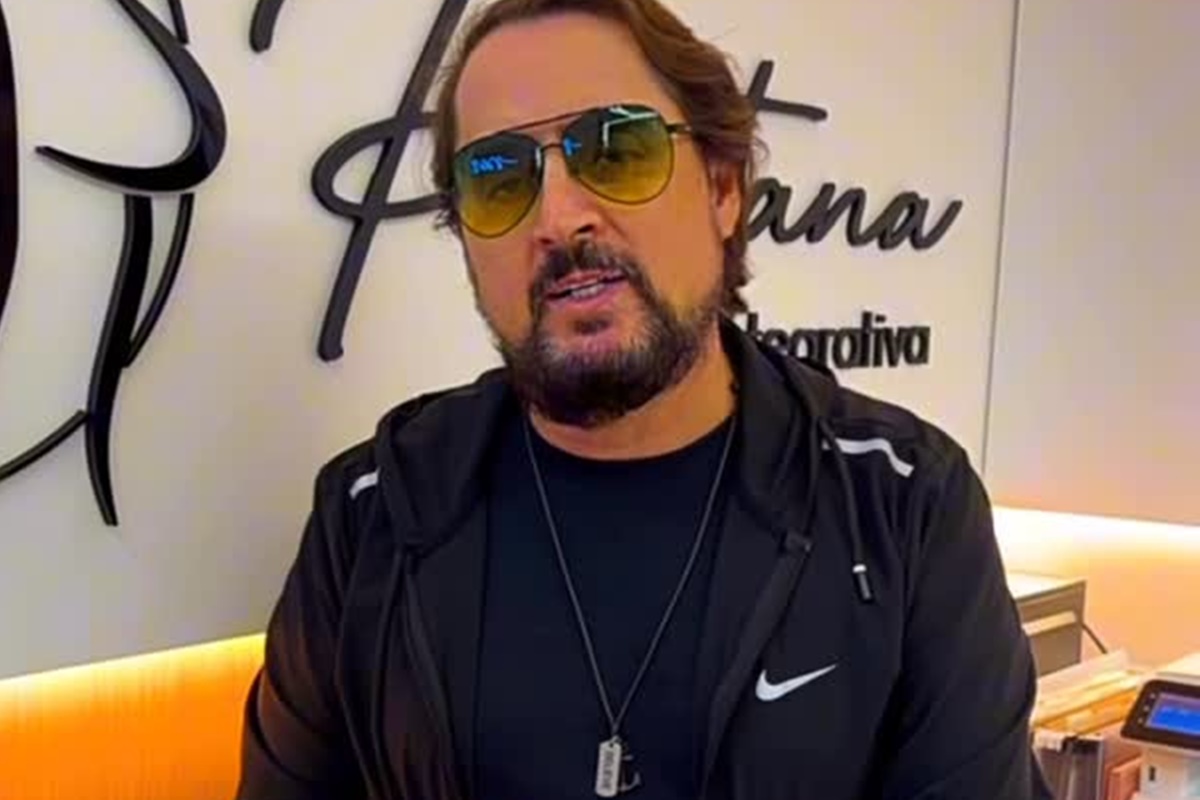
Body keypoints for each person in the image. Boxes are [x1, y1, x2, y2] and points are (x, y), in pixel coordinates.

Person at [236, 0, 1053, 798]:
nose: (558, 218)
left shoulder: (904, 506)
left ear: (723, 188)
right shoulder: (374, 514)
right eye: (497, 177)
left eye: (616, 150)